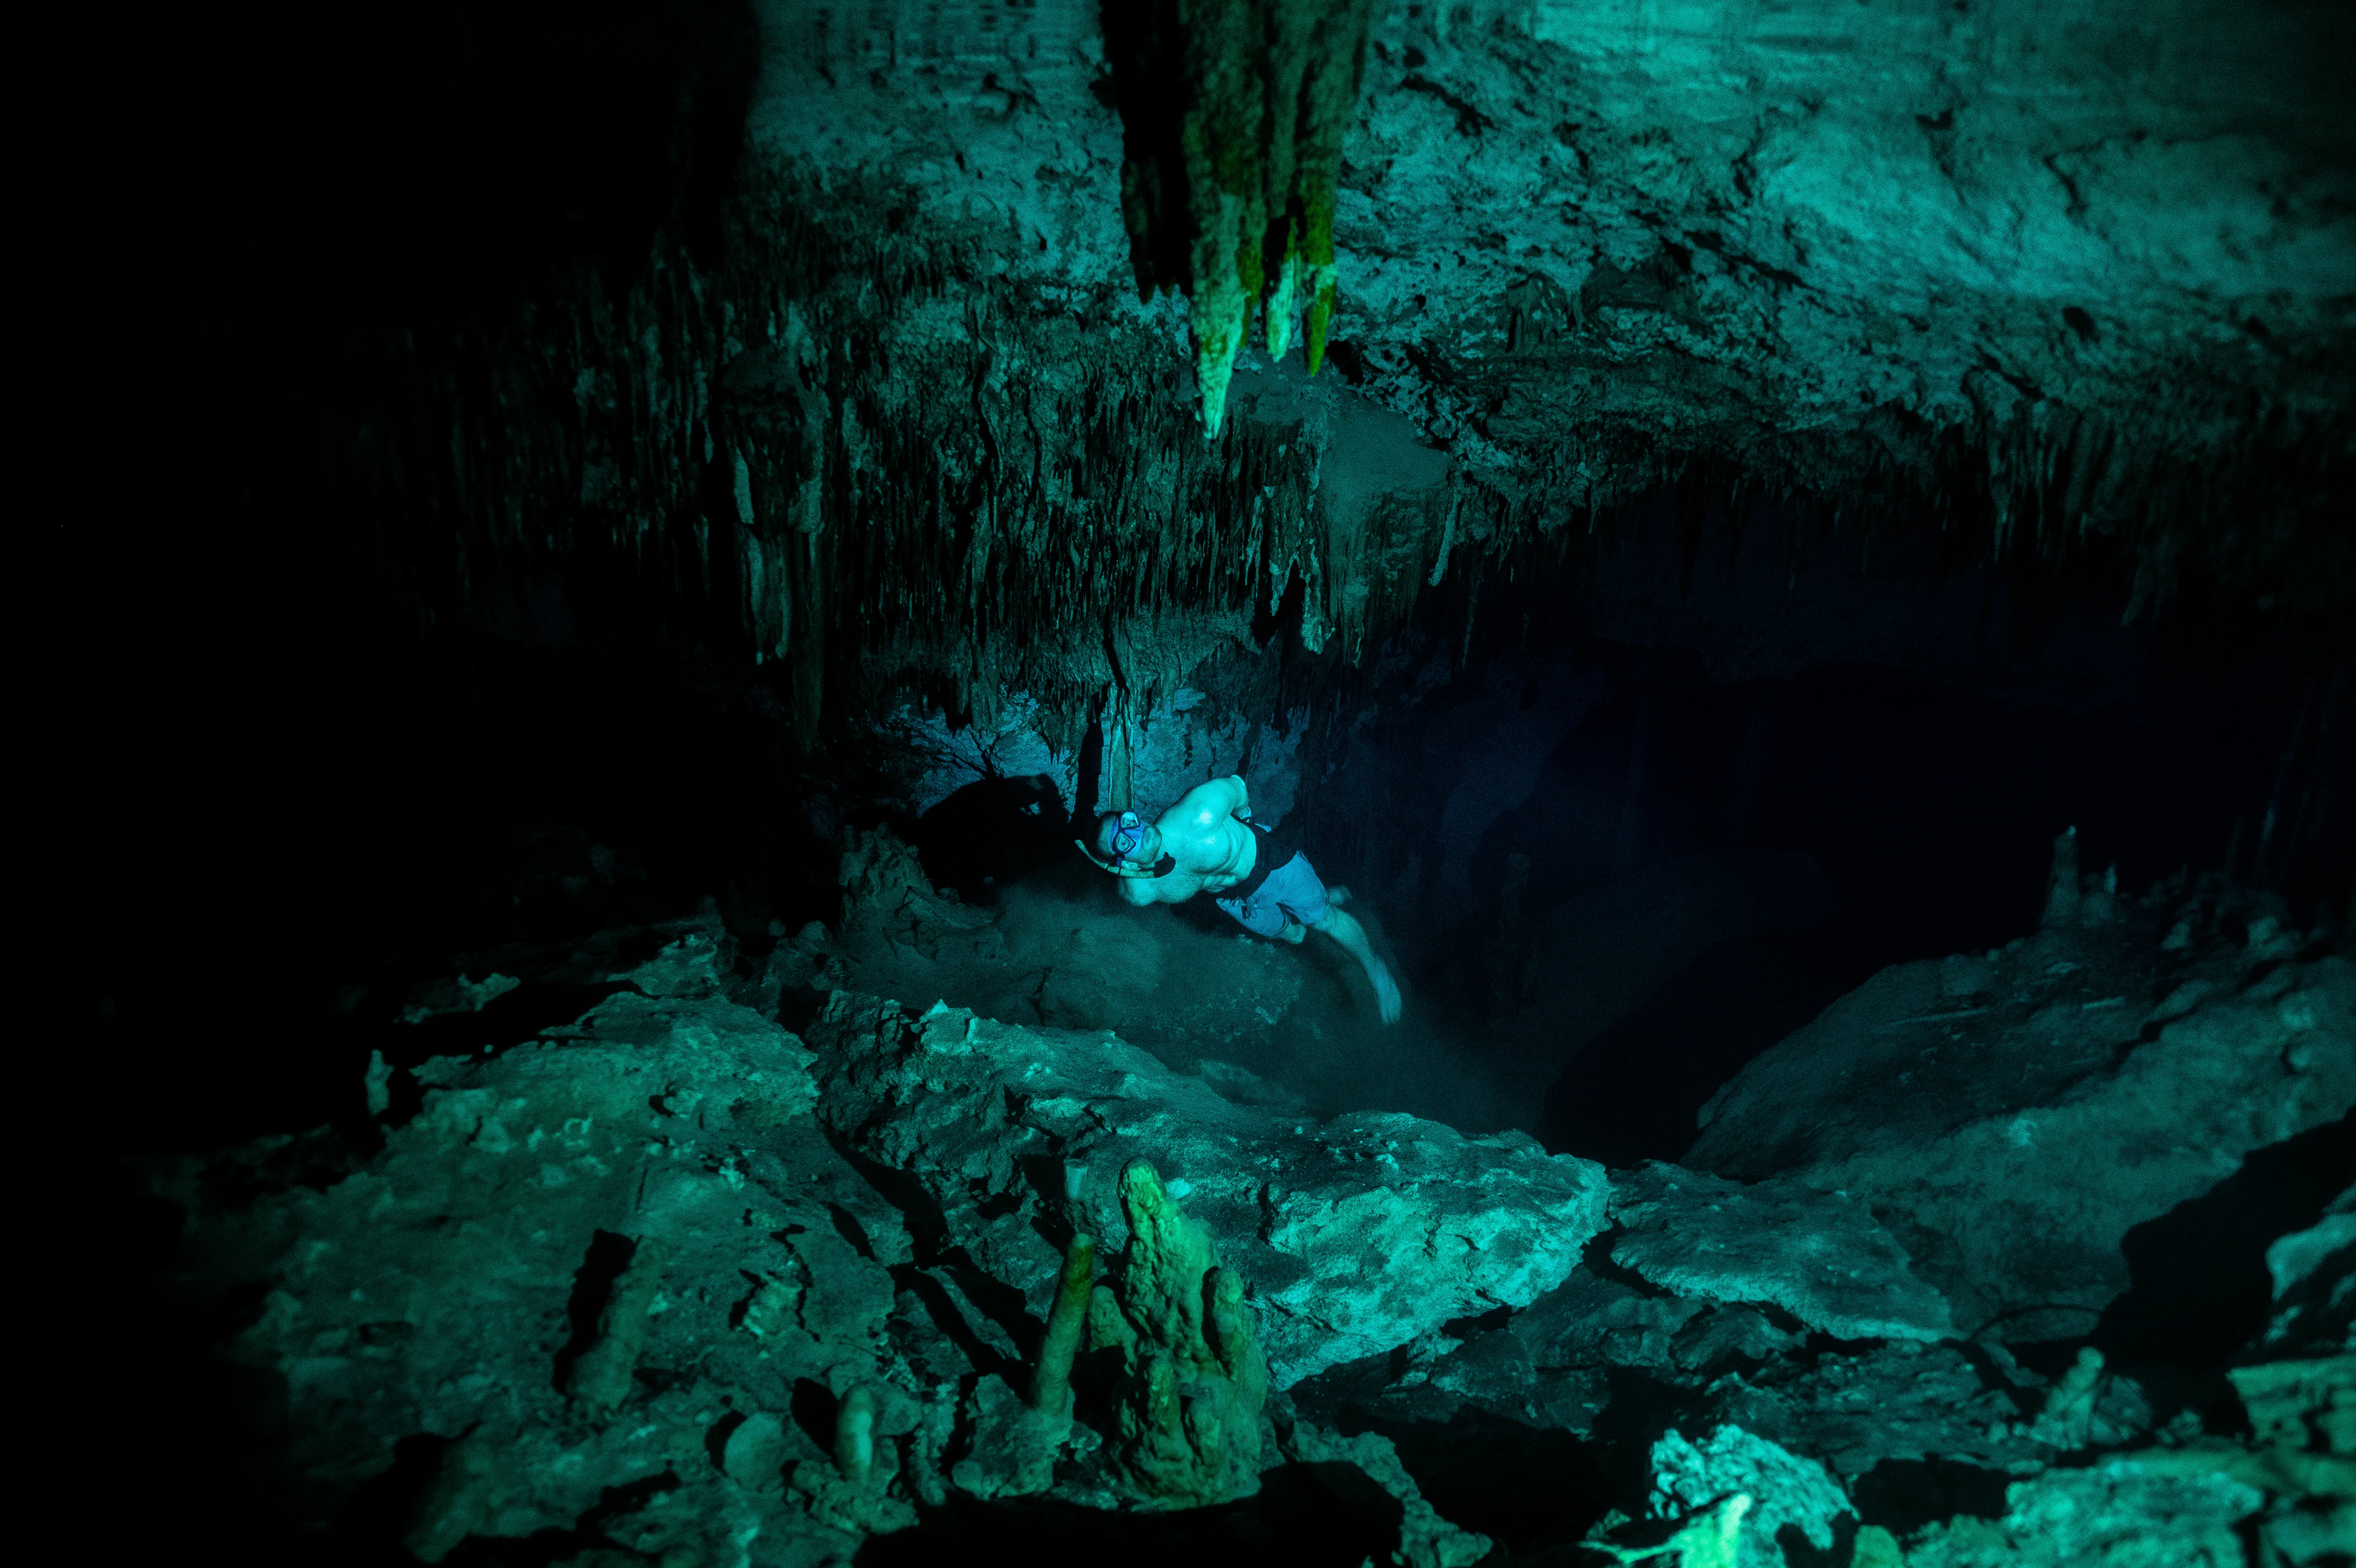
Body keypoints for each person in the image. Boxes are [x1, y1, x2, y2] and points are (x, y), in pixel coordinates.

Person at [1077, 774, 1403, 1023]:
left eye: (1128, 822)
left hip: (1272, 863)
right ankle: (1316, 899)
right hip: (1232, 897)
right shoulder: (1141, 889)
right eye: (1123, 841)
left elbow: (1236, 785)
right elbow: (1123, 892)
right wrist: (1119, 868)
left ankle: (1375, 970)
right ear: (1122, 864)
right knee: (1295, 934)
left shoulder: (1199, 814)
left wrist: (1245, 818)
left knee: (1322, 921)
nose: (1137, 831)